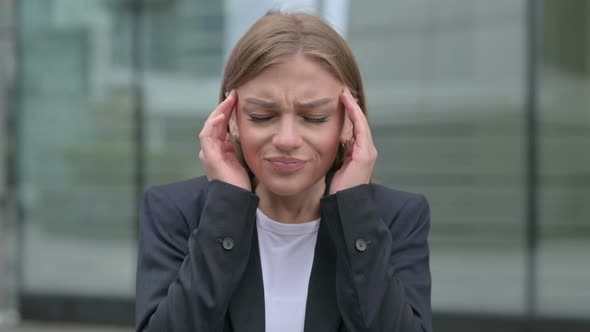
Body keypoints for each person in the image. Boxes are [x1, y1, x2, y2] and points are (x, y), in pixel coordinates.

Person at [135, 10, 431, 332]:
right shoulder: (175, 211)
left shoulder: (397, 216)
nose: (287, 140)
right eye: (262, 116)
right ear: (230, 117)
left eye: (314, 117)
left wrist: (354, 212)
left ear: (349, 119)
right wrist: (228, 208)